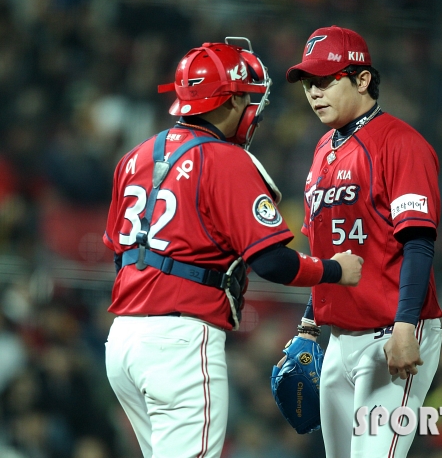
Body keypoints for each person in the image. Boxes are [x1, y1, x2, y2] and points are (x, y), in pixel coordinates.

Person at [102, 37, 363, 458]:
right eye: (248, 97)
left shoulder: (134, 157)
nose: (253, 109)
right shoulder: (225, 160)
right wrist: (335, 270)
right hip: (179, 341)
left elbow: (119, 254)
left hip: (122, 342)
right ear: (230, 99)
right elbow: (273, 262)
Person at [282, 25, 442, 458]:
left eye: (325, 79)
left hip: (393, 331)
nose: (314, 92)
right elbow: (324, 253)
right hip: (339, 338)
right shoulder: (322, 149)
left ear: (362, 79)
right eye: (308, 84)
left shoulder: (401, 143)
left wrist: (407, 326)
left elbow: (418, 243)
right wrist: (309, 326)